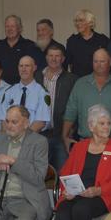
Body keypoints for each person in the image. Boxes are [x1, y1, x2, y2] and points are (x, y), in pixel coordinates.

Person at [62, 48, 111, 152]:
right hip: (85, 143)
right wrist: (64, 136)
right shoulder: (80, 84)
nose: (99, 64)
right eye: (96, 61)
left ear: (110, 62)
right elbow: (70, 111)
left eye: (102, 61)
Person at [42, 42, 78, 171]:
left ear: (63, 59)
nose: (54, 59)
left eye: (57, 56)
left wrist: (70, 132)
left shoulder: (72, 80)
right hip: (40, 135)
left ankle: (62, 192)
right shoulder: (36, 78)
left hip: (62, 135)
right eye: (51, 55)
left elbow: (76, 108)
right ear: (46, 57)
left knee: (64, 171)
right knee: (38, 172)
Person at [0, 55, 50, 133]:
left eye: (27, 66)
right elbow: (3, 120)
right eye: (21, 66)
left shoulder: (43, 93)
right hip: (10, 137)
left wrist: (22, 139)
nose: (23, 69)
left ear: (34, 68)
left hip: (32, 138)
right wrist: (12, 137)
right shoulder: (9, 92)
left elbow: (40, 123)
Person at [0, 14, 44, 84]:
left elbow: (38, 69)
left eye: (12, 26)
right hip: (1, 89)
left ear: (20, 28)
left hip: (23, 88)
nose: (9, 29)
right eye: (7, 26)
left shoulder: (30, 46)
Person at [65, 9, 109, 77]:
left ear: (90, 22)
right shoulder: (72, 41)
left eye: (81, 20)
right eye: (76, 21)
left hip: (98, 80)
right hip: (78, 81)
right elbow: (70, 64)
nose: (77, 23)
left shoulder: (102, 40)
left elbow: (108, 62)